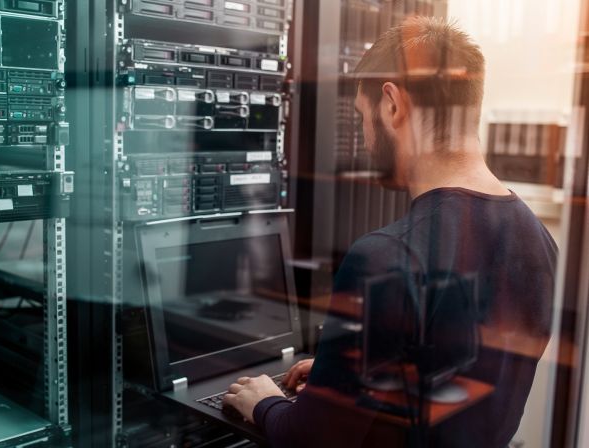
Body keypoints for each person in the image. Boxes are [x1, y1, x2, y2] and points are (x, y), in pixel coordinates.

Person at [223, 16, 557, 448]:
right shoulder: (538, 238)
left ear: (393, 105)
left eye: (362, 117)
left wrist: (265, 401)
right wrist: (339, 381)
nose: (363, 137)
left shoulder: (385, 256)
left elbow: (310, 441)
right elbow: (454, 384)